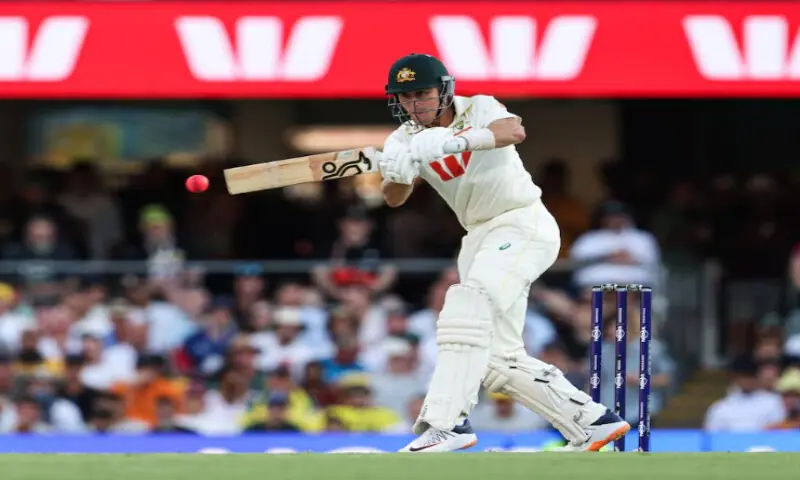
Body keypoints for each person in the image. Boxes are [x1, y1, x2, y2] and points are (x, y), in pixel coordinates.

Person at [375, 53, 628, 453]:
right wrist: (400, 172)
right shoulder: (403, 139)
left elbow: (513, 131)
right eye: (404, 98)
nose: (414, 105)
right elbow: (393, 197)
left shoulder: (479, 107)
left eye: (421, 94)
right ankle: (591, 422)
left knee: (466, 304)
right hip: (477, 236)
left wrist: (454, 142)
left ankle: (447, 423)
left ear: (443, 89)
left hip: (521, 222)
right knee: (496, 359)